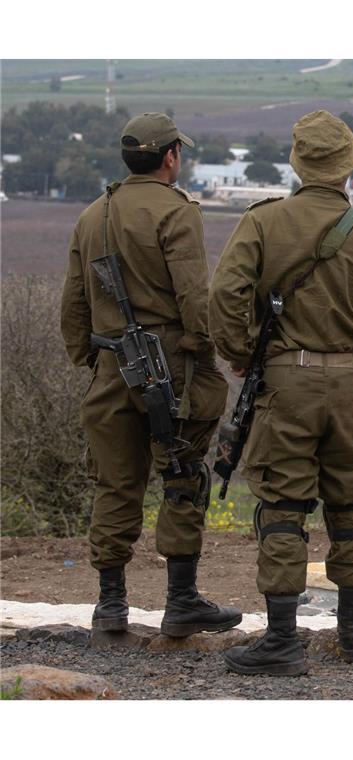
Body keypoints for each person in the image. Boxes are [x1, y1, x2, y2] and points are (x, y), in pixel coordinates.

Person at [209, 110, 353, 676]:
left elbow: (225, 297)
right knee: (351, 506)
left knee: (281, 508)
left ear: (298, 164)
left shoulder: (261, 224)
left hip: (285, 387)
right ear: (349, 167)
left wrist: (243, 355)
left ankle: (281, 639)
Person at [60, 113, 241, 637]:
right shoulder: (176, 211)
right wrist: (207, 351)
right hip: (170, 370)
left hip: (112, 364)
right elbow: (193, 298)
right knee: (183, 479)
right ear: (170, 158)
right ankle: (181, 600)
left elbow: (74, 304)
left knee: (114, 485)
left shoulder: (93, 214)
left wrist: (92, 361)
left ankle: (110, 604)